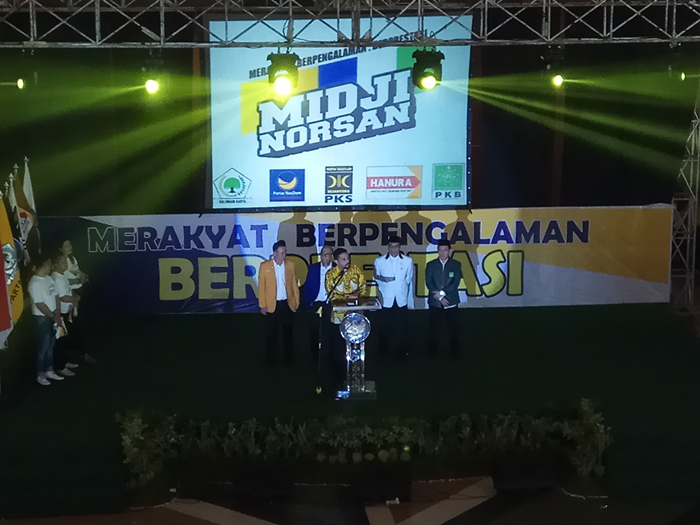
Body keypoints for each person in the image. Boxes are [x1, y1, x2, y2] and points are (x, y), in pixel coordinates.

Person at [325, 248, 368, 388]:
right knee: (338, 348)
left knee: (356, 347)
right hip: (338, 317)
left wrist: (357, 295)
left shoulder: (356, 271)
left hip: (355, 317)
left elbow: (364, 287)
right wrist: (348, 296)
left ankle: (356, 377)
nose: (347, 261)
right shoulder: (331, 274)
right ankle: (339, 377)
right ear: (336, 261)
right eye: (343, 259)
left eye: (348, 258)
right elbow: (332, 294)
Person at [258, 240, 300, 366]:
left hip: (287, 303)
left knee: (288, 332)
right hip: (272, 304)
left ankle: (288, 358)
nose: (284, 256)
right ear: (274, 253)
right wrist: (262, 305)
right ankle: (270, 358)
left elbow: (294, 284)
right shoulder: (265, 266)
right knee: (272, 333)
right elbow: (262, 287)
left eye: (285, 253)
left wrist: (296, 301)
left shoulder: (290, 265)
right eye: (281, 253)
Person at [374, 235, 414, 357]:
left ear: (400, 247)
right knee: (384, 326)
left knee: (401, 327)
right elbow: (376, 277)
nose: (393, 249)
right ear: (388, 247)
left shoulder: (408, 261)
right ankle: (383, 351)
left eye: (396, 246)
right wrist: (384, 279)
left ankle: (402, 351)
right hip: (386, 298)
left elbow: (408, 279)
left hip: (401, 299)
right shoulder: (379, 261)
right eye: (391, 246)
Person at [28, 255, 63, 386]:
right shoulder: (35, 282)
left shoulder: (49, 278)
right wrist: (53, 315)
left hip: (53, 316)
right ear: (41, 265)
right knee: (42, 347)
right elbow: (40, 304)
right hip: (42, 319)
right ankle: (40, 374)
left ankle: (49, 370)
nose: (50, 266)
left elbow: (56, 297)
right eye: (47, 264)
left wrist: (57, 314)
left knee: (51, 345)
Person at [425, 239, 463, 357]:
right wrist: (440, 298)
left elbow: (455, 283)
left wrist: (442, 294)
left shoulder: (456, 264)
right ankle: (432, 352)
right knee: (433, 327)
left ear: (450, 251)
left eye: (445, 250)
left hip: (451, 301)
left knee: (453, 328)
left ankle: (454, 352)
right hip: (435, 302)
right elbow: (429, 282)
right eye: (440, 250)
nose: (442, 253)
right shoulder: (431, 265)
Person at [305, 243, 334, 363]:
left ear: (331, 256)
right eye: (323, 254)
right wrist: (310, 303)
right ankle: (314, 357)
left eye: (327, 254)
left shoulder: (337, 269)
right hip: (316, 304)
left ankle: (330, 356)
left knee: (330, 331)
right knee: (314, 331)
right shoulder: (313, 268)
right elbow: (307, 288)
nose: (325, 257)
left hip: (331, 304)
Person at [52, 255, 81, 377]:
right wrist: (75, 299)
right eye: (63, 261)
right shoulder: (56, 278)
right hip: (61, 314)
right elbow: (63, 297)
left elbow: (68, 290)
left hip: (66, 312)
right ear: (56, 264)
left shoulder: (62, 276)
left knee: (64, 340)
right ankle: (59, 367)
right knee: (60, 341)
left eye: (66, 261)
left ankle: (64, 362)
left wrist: (74, 296)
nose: (66, 263)